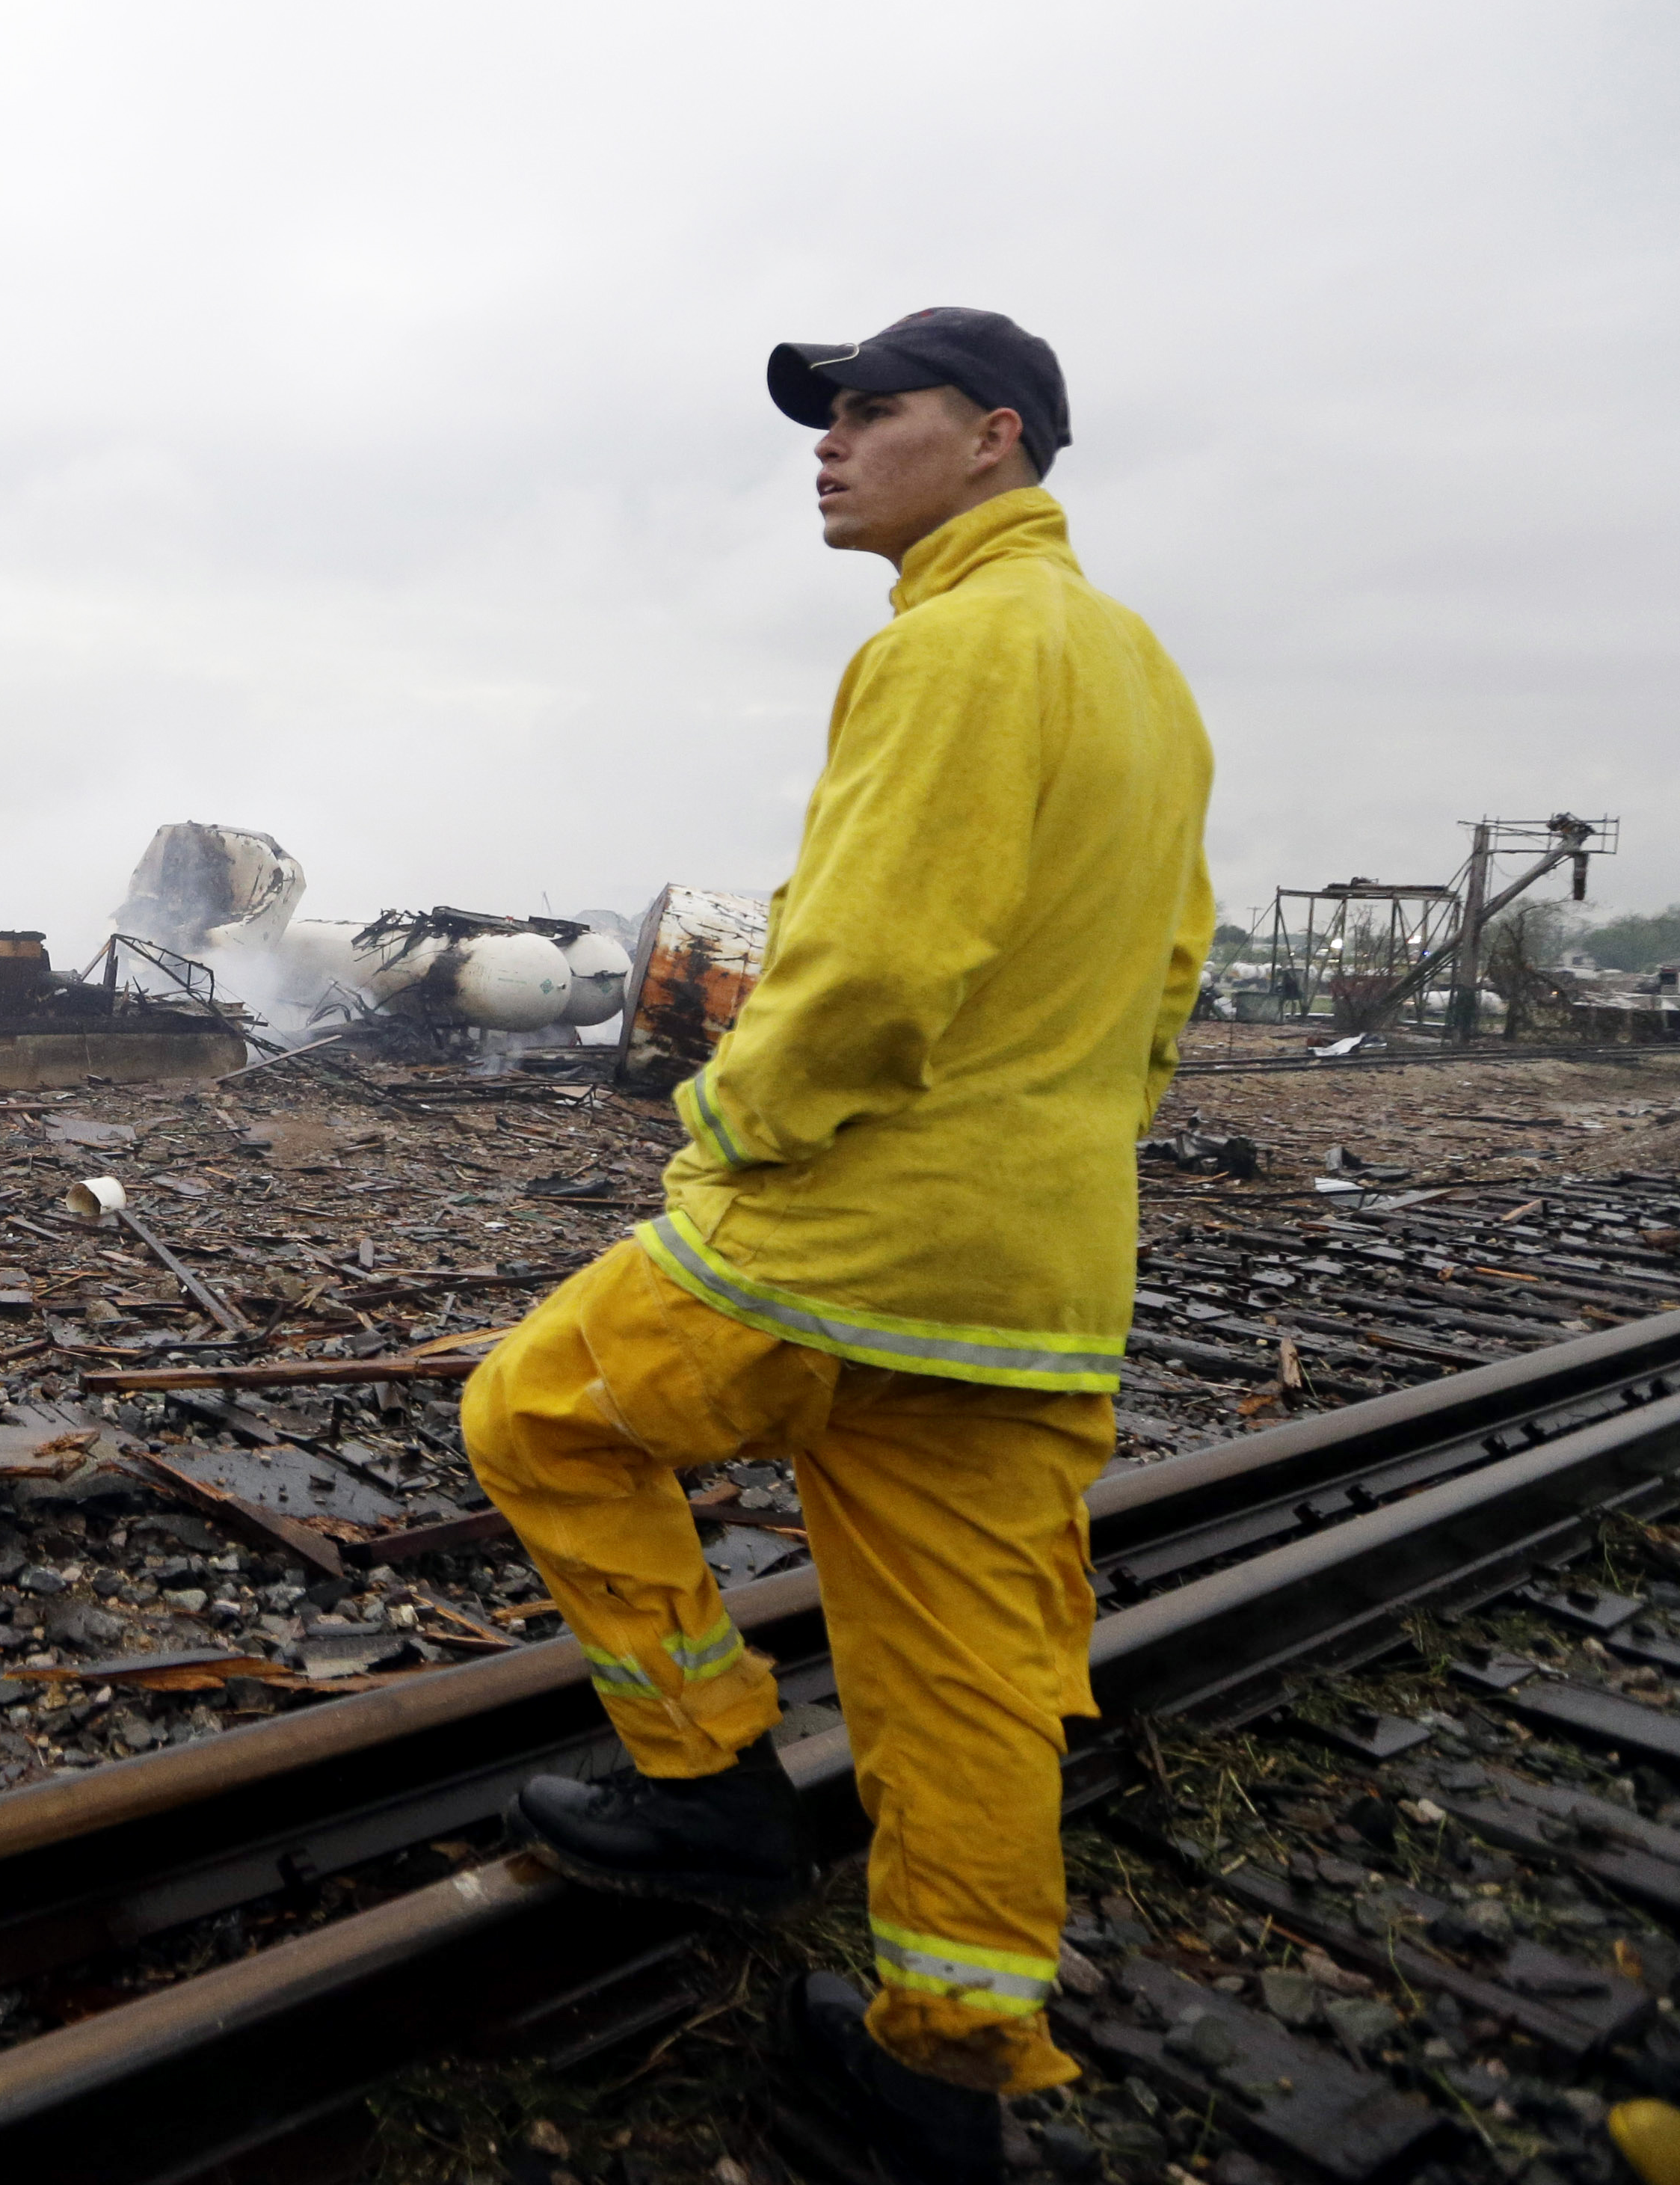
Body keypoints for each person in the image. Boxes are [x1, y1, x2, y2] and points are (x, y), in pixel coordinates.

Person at [460, 307, 1213, 2184]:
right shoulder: (1141, 673)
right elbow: (1171, 976)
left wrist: (730, 1123)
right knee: (963, 1669)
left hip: (840, 1241)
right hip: (1033, 1284)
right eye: (830, 415)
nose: (832, 443)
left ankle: (709, 1786)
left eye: (878, 412)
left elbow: (868, 962)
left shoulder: (958, 645)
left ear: (998, 439)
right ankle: (943, 2071)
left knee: (538, 1414)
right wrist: (1061, 1159)